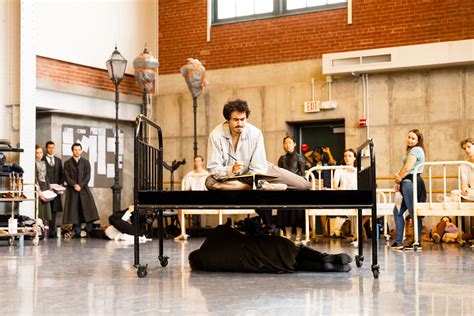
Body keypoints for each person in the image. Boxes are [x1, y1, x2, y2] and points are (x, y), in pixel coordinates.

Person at [205, 99, 310, 191]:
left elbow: (258, 167)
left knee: (304, 185)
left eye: (243, 119)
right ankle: (257, 187)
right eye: (236, 120)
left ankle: (257, 185)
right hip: (230, 177)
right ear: (228, 119)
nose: (240, 123)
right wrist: (231, 170)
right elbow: (214, 168)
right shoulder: (216, 135)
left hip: (258, 173)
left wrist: (253, 179)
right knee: (209, 182)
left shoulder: (255, 133)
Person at [188, 224, 352, 273]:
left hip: (258, 263)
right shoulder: (211, 243)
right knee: (298, 250)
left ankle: (324, 266)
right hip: (262, 246)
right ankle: (324, 257)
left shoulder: (209, 265)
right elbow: (225, 228)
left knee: (296, 265)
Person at [391, 129, 426, 250]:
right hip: (406, 182)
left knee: (413, 211)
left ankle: (417, 241)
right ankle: (399, 241)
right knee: (397, 211)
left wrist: (398, 179)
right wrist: (398, 180)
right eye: (409, 137)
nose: (410, 140)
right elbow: (405, 169)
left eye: (413, 138)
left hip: (412, 181)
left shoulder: (416, 149)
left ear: (418, 140)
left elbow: (407, 168)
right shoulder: (411, 151)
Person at [63, 143, 99, 238]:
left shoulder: (86, 162)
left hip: (83, 189)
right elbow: (66, 176)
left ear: (81, 150)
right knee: (75, 211)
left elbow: (88, 176)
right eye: (75, 149)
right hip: (73, 190)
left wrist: (80, 185)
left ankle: (89, 231)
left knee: (88, 209)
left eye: (79, 149)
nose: (77, 151)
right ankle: (77, 231)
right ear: (72, 151)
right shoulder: (67, 163)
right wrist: (74, 185)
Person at [277, 136, 306, 243]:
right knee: (286, 212)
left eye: (289, 142)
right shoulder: (282, 158)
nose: (287, 145)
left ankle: (298, 236)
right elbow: (279, 173)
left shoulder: (300, 157)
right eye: (285, 143)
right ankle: (288, 235)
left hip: (297, 188)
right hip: (285, 188)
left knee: (297, 212)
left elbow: (303, 174)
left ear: (294, 144)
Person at [174, 155, 209, 241]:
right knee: (180, 209)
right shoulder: (189, 175)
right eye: (196, 161)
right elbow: (186, 189)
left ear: (202, 162)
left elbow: (208, 190)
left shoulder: (206, 175)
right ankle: (183, 233)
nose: (197, 163)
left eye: (199, 161)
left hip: (204, 199)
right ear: (194, 162)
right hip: (193, 199)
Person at [42, 141, 64, 238]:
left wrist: (60, 185)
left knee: (54, 210)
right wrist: (47, 186)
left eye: (53, 147)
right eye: (49, 147)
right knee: (46, 210)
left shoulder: (58, 160)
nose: (51, 149)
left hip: (56, 190)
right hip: (46, 189)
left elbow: (62, 174)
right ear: (46, 148)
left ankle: (52, 231)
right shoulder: (42, 160)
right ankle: (44, 231)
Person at [35, 145, 52, 226]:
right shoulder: (33, 163)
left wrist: (49, 187)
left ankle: (45, 231)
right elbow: (34, 176)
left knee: (46, 211)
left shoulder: (44, 162)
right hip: (39, 187)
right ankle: (39, 230)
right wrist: (38, 189)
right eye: (37, 153)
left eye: (41, 152)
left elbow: (46, 176)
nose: (39, 154)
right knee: (39, 210)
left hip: (45, 186)